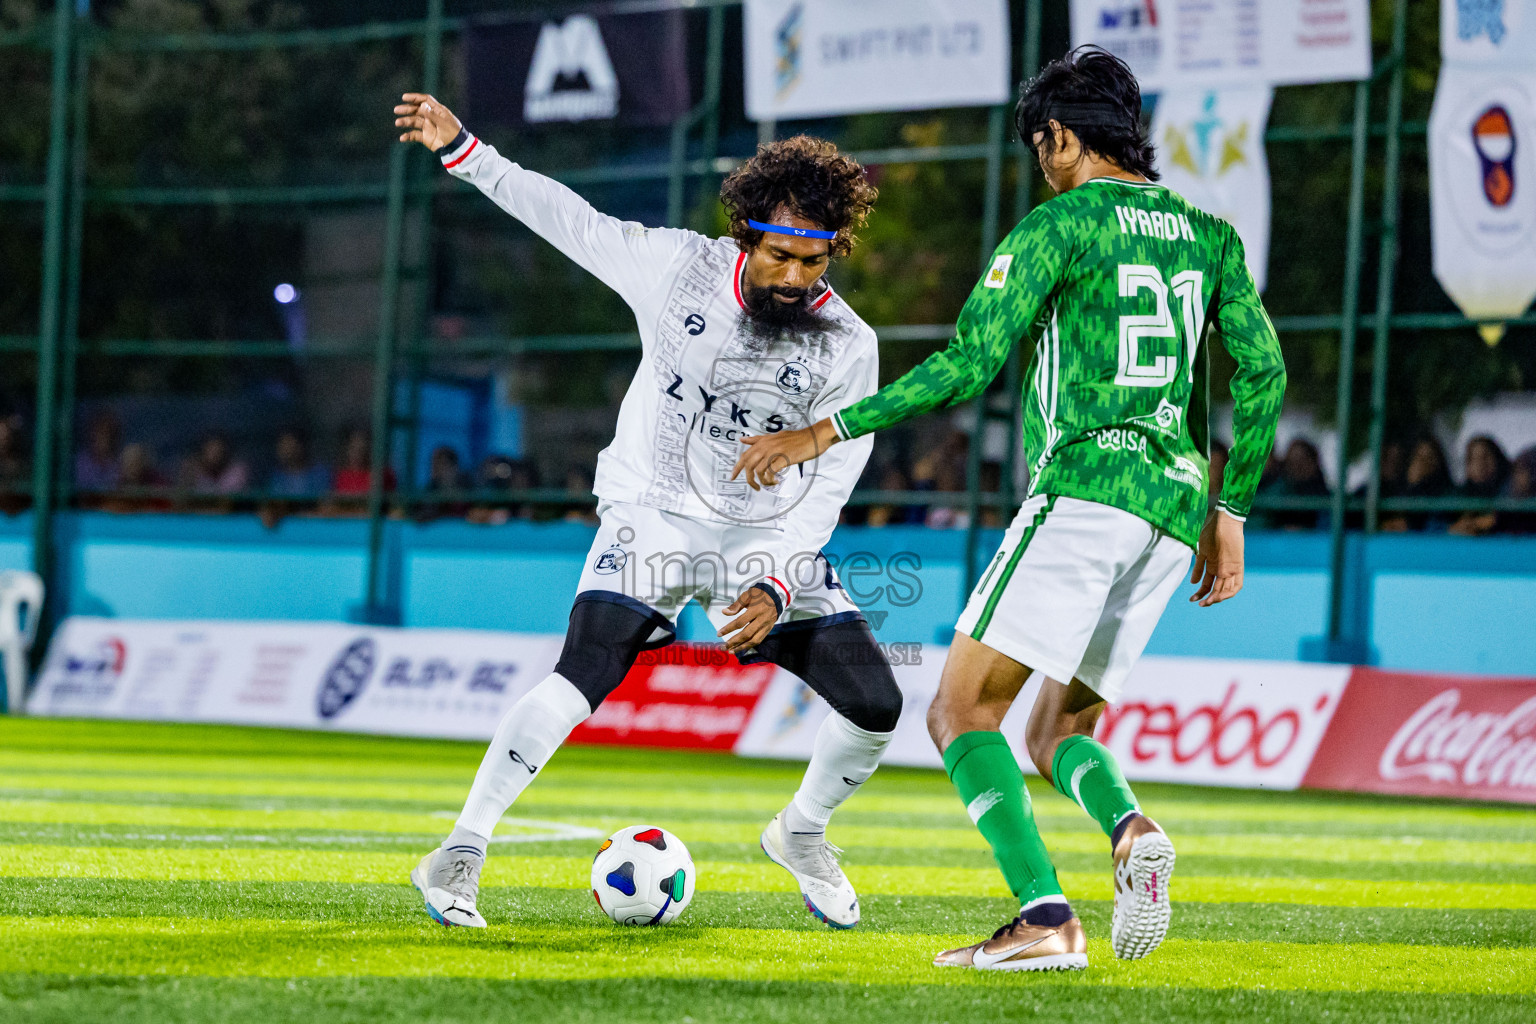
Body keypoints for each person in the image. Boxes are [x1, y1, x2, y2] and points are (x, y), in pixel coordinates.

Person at [732, 47, 1285, 971]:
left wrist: (824, 432)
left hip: (1084, 492)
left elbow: (967, 365)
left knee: (958, 714)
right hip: (1173, 514)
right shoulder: (1209, 233)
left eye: (1041, 144)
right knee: (1055, 731)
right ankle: (1129, 826)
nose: (1041, 161)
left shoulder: (1056, 228)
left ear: (1061, 137)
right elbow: (1262, 371)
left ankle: (1043, 918)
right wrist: (1231, 508)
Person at [393, 94, 903, 930]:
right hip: (653, 512)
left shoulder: (851, 346)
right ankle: (460, 849)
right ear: (747, 234)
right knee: (585, 668)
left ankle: (801, 832)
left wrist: (777, 581)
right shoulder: (674, 268)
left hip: (762, 537)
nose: (796, 280)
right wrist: (465, 151)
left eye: (815, 264)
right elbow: (562, 215)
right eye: (780, 257)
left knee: (876, 704)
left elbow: (832, 481)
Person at [1449, 435, 1509, 536]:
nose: (1480, 464)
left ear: (1497, 459)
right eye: (1474, 458)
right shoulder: (1457, 497)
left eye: (1485, 457)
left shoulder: (1510, 492)